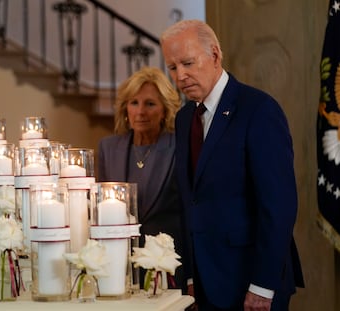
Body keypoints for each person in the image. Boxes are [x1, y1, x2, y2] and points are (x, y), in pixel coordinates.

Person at [159, 20, 304, 311]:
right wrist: (190, 276)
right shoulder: (185, 118)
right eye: (173, 67)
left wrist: (263, 285)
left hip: (252, 282)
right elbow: (190, 203)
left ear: (214, 55)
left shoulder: (259, 110)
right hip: (205, 282)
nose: (181, 76)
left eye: (188, 63)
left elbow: (278, 207)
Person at [97, 66, 187, 291]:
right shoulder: (108, 148)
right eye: (134, 103)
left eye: (150, 104)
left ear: (165, 110)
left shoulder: (180, 147)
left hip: (169, 262)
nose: (140, 112)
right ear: (125, 108)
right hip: (120, 263)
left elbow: (189, 212)